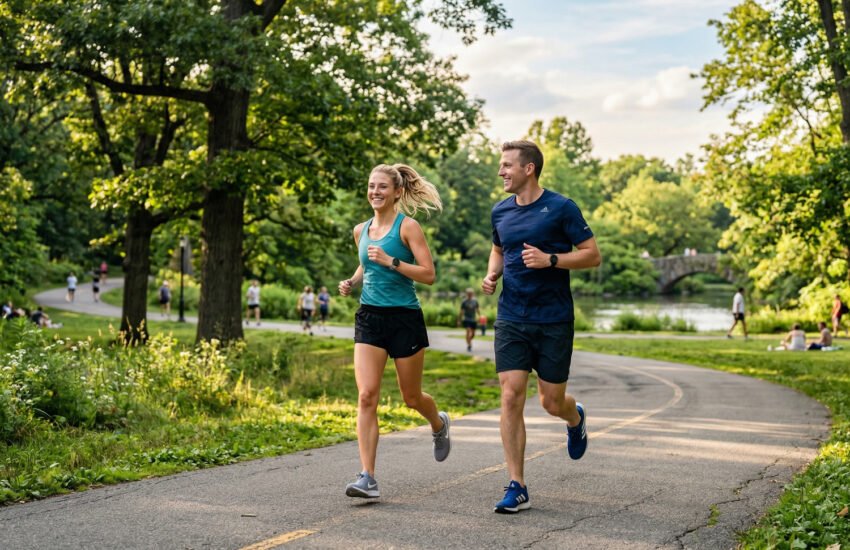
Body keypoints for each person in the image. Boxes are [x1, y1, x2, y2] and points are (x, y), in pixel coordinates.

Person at [481, 141, 601, 514]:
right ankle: (516, 485)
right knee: (511, 394)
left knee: (550, 401)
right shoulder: (500, 211)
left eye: (506, 165)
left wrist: (551, 259)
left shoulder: (561, 208)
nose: (501, 172)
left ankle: (574, 417)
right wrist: (492, 273)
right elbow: (500, 248)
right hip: (512, 317)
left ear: (528, 169)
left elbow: (592, 255)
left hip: (553, 319)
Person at [338, 163, 451, 499]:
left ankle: (438, 423)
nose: (375, 192)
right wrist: (354, 280)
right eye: (371, 186)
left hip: (404, 318)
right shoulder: (361, 229)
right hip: (370, 317)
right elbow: (365, 260)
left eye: (382, 187)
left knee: (411, 397)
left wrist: (392, 262)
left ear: (397, 192)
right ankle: (367, 477)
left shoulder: (409, 228)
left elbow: (429, 274)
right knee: (366, 396)